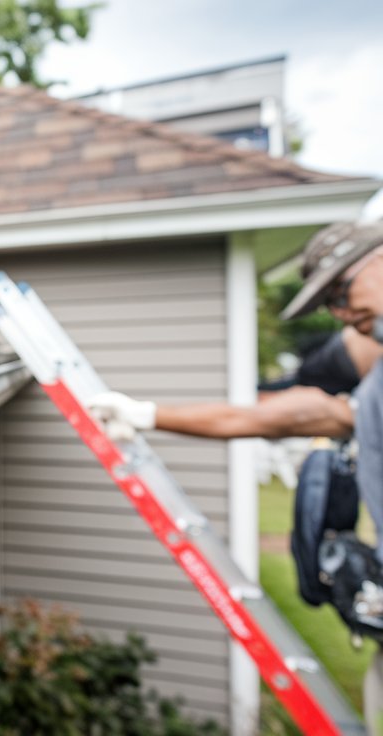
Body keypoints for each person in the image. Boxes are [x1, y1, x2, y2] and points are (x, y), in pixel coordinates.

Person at [88, 221, 383, 728]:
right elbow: (278, 417)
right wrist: (147, 415)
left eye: (340, 289)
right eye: (328, 304)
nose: (339, 313)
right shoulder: (376, 384)